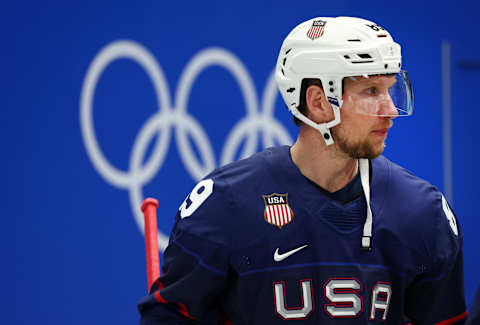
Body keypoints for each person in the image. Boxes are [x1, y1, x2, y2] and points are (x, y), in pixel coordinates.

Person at [138, 16, 467, 324]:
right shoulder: (224, 206)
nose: (390, 110)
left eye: (390, 89)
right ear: (319, 102)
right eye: (371, 92)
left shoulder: (424, 213)